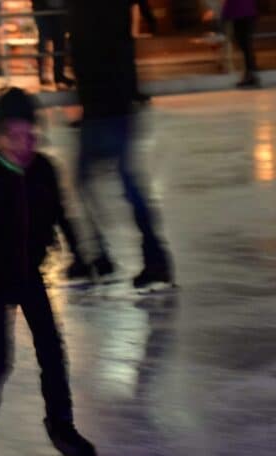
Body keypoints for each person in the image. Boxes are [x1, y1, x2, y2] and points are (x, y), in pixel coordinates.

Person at [0, 89, 96, 456]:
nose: (24, 145)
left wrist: (81, 252)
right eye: (14, 136)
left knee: (52, 351)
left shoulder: (43, 170)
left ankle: (62, 427)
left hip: (30, 273)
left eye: (31, 136)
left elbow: (61, 212)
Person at [68, 0, 174, 289]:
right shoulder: (102, 11)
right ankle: (141, 256)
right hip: (109, 107)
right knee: (115, 182)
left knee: (111, 183)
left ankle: (106, 256)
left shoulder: (91, 11)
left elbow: (97, 53)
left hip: (106, 108)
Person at [33, 0, 73, 88]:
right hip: (43, 8)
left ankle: (58, 75)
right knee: (45, 40)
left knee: (59, 40)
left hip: (58, 8)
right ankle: (45, 74)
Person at [222, 0, 260, 88]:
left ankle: (250, 74)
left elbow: (231, 3)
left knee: (244, 45)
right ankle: (250, 73)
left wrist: (224, 15)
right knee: (245, 45)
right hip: (247, 13)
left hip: (240, 15)